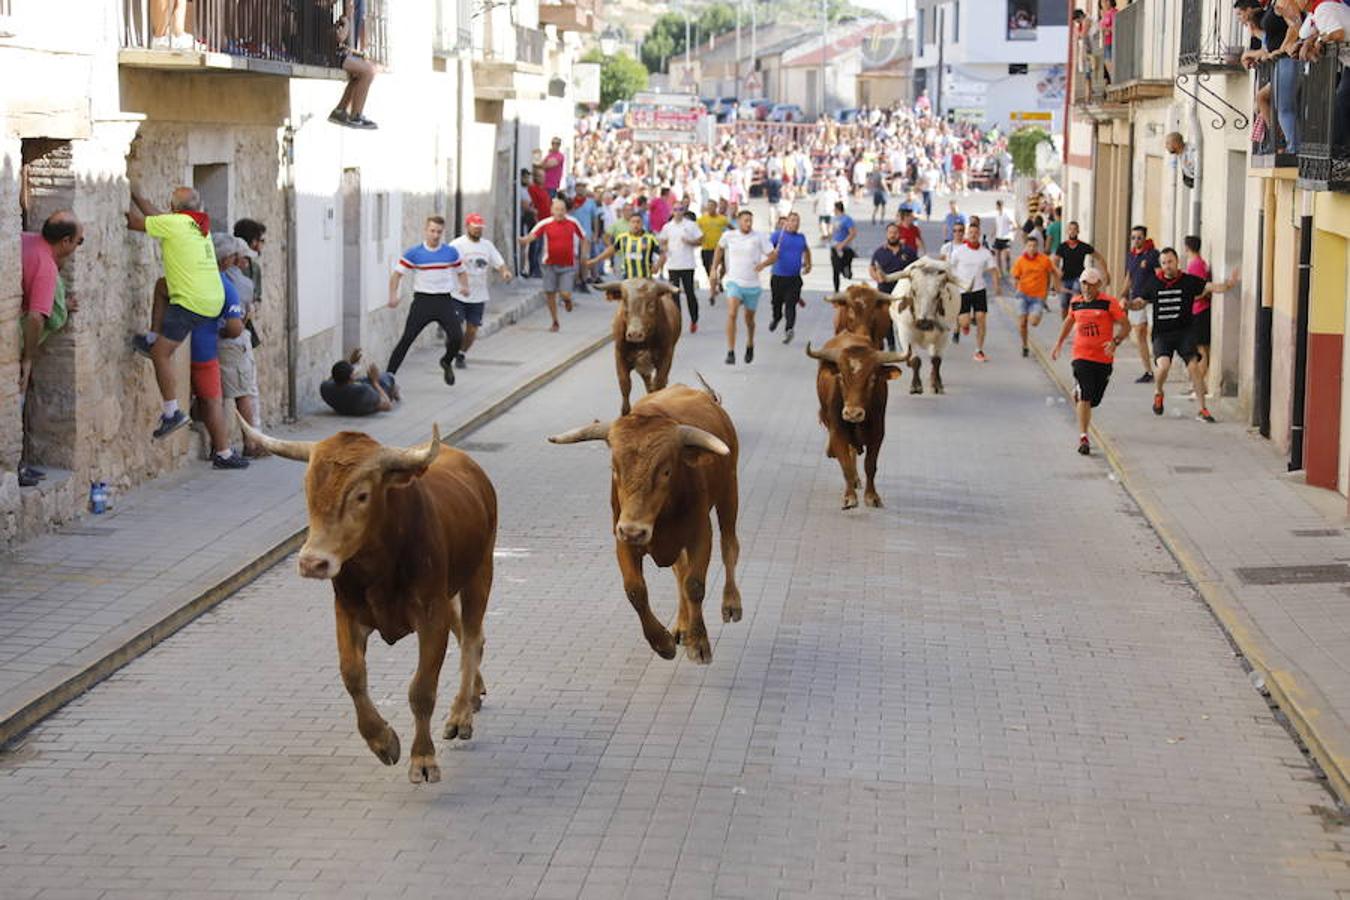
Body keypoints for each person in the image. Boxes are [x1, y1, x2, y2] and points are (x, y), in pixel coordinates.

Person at [127, 185, 226, 440]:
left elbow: (137, 223)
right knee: (162, 286)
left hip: (192, 302)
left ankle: (172, 411)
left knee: (161, 354)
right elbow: (158, 218)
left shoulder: (176, 224)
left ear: (175, 208)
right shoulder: (195, 225)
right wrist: (137, 194)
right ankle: (150, 338)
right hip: (212, 298)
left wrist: (119, 209)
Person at [1129, 247, 1238, 422]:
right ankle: (1158, 391)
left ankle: (1202, 409)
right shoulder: (1154, 283)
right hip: (1162, 334)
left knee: (1194, 367)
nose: (1167, 266)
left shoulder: (1188, 281)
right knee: (1163, 366)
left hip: (1184, 332)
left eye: (1170, 262)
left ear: (1177, 262)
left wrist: (1228, 285)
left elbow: (1209, 287)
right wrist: (1128, 304)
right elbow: (1140, 302)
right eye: (1164, 263)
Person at [18, 211, 82, 487]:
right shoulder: (46, 266)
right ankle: (16, 467)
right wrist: (27, 359)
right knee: (16, 400)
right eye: (80, 241)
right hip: (12, 342)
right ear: (65, 241)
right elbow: (35, 316)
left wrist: (60, 305)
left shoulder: (24, 240)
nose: (79, 246)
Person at [1050, 268, 1130, 456]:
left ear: (1098, 285)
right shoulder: (1076, 303)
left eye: (1091, 284)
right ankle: (1084, 436)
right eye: (1084, 283)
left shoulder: (1108, 303)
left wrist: (1115, 342)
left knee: (1094, 400)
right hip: (1081, 356)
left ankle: (1080, 393)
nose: (1086, 287)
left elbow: (1126, 326)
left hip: (1103, 359)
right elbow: (1069, 322)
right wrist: (1058, 343)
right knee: (1086, 395)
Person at [387, 215, 470, 385]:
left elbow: (461, 271)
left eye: (439, 232)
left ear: (442, 232)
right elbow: (396, 275)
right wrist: (393, 295)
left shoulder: (450, 252)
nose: (435, 235)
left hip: (444, 301)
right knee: (407, 339)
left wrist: (465, 286)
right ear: (426, 231)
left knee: (457, 337)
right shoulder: (415, 253)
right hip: (423, 302)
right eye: (432, 231)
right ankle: (388, 377)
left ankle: (446, 361)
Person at [183, 266, 248, 469]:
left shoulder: (185, 275)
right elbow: (235, 328)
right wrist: (222, 332)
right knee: (212, 401)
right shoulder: (225, 285)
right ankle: (222, 451)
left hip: (176, 346)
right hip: (204, 350)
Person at [215, 235, 265, 459]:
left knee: (216, 395)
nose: (246, 262)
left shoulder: (213, 278)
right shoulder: (241, 283)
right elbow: (239, 321)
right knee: (242, 393)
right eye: (242, 258)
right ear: (232, 258)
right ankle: (250, 444)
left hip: (213, 341)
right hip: (233, 341)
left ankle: (218, 445)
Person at [712, 209, 777, 366]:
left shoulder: (759, 237)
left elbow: (774, 255)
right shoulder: (729, 236)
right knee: (732, 313)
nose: (748, 223)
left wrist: (763, 264)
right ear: (738, 221)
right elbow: (719, 249)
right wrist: (713, 268)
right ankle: (731, 351)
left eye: (750, 220)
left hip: (752, 285)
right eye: (745, 220)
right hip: (734, 281)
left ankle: (750, 343)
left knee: (749, 320)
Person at [449, 213, 512, 368]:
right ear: (467, 226)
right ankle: (451, 350)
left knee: (472, 330)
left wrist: (504, 272)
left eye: (480, 228)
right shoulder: (457, 245)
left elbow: (499, 262)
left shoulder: (487, 246)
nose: (478, 231)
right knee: (456, 325)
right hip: (458, 293)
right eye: (475, 227)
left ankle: (461, 354)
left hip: (478, 295)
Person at [519, 197, 586, 332]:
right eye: (556, 209)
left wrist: (583, 255)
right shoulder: (545, 223)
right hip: (549, 264)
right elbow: (533, 235)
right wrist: (523, 240)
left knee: (565, 293)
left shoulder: (573, 222)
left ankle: (567, 300)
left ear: (566, 211)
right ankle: (555, 321)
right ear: (551, 211)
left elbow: (584, 237)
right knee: (550, 293)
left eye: (562, 210)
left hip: (568, 264)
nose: (559, 212)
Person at [948, 221, 1000, 361]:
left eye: (976, 233)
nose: (973, 235)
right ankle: (965, 324)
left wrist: (997, 287)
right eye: (970, 233)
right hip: (963, 290)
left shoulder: (985, 253)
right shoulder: (958, 252)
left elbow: (993, 270)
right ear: (967, 234)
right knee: (964, 322)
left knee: (981, 319)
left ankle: (979, 350)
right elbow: (949, 269)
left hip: (979, 289)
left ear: (979, 235)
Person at [328, 1, 378, 129]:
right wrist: (348, 19)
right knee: (369, 71)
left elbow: (361, 22)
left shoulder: (331, 11)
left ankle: (340, 110)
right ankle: (356, 115)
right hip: (332, 54)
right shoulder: (330, 11)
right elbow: (340, 37)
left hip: (340, 51)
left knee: (362, 72)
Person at [1122, 224, 1161, 383]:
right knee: (1139, 333)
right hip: (1136, 299)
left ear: (1144, 238)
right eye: (1133, 238)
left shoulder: (1153, 254)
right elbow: (1129, 277)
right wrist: (1122, 295)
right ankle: (1148, 371)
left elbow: (1159, 275)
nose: (1136, 240)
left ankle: (1160, 365)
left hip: (1151, 300)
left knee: (1155, 333)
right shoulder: (1131, 256)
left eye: (1139, 237)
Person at [1011, 236, 1060, 358]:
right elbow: (1015, 277)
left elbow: (1054, 272)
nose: (1032, 248)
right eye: (1029, 246)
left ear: (1038, 247)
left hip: (1038, 296)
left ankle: (1030, 315)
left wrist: (1055, 287)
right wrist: (1016, 287)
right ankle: (1025, 346)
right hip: (1022, 294)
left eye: (1034, 246)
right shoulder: (1020, 261)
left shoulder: (1044, 260)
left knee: (1033, 322)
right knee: (1022, 323)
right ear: (1026, 247)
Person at [1052, 221, 1111, 320]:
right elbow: (1055, 263)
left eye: (1075, 229)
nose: (1073, 231)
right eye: (1070, 229)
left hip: (1079, 278)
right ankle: (1065, 325)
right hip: (1065, 278)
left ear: (1078, 231)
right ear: (1067, 231)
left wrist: (1106, 273)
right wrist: (1056, 277)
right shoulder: (1063, 246)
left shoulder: (1083, 246)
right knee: (1063, 304)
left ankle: (1076, 324)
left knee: (1075, 301)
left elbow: (1099, 258)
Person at [768, 211, 811, 344]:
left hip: (794, 278)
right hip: (778, 277)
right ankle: (776, 318)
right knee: (776, 303)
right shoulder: (778, 236)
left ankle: (789, 329)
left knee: (790, 305)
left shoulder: (801, 237)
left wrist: (808, 264)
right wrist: (772, 253)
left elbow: (806, 250)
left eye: (797, 221)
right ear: (786, 223)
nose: (795, 223)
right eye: (792, 220)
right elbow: (766, 248)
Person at [658, 207, 704, 332]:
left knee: (690, 293)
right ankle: (677, 321)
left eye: (680, 209)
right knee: (674, 294)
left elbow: (701, 240)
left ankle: (694, 319)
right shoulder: (668, 226)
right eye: (675, 209)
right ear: (672, 211)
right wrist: (664, 248)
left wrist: (690, 242)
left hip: (687, 264)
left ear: (683, 211)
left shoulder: (690, 225)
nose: (678, 211)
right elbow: (661, 240)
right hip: (673, 265)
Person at [588, 211, 663, 281]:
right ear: (629, 223)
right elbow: (611, 250)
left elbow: (663, 254)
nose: (635, 225)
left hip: (645, 280)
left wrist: (657, 267)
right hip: (626, 279)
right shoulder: (622, 238)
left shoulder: (650, 239)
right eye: (633, 222)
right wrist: (595, 260)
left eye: (638, 222)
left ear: (642, 224)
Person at [321, 350, 399, 416]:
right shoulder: (364, 391)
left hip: (345, 403)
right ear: (351, 377)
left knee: (363, 379)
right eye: (353, 373)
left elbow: (332, 378)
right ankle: (394, 391)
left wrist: (351, 364)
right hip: (364, 404)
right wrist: (375, 382)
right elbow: (388, 406)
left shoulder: (325, 388)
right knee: (387, 378)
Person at [697, 200, 730, 306]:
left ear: (716, 207)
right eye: (708, 206)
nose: (710, 208)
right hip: (707, 248)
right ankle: (713, 288)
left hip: (720, 248)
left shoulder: (722, 219)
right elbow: (694, 230)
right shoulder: (702, 220)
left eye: (712, 206)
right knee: (710, 270)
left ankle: (717, 285)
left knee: (722, 268)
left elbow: (731, 227)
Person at [829, 201, 858, 292]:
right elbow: (833, 233)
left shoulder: (847, 219)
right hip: (834, 246)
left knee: (844, 270)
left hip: (846, 248)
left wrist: (843, 243)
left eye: (834, 208)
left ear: (837, 209)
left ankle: (847, 270)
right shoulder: (833, 219)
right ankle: (836, 290)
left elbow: (853, 233)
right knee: (835, 269)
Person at [990, 198, 1017, 283]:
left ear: (1001, 206)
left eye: (998, 206)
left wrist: (1012, 230)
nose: (997, 207)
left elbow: (1014, 224)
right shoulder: (997, 215)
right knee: (997, 256)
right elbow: (996, 225)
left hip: (1006, 238)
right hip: (998, 237)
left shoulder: (1007, 214)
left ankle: (1008, 268)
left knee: (1006, 256)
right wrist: (993, 233)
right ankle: (1001, 273)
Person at [815, 178, 840, 244]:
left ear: (830, 184)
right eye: (824, 183)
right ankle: (825, 238)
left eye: (827, 183)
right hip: (822, 213)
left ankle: (829, 241)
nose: (826, 185)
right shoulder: (819, 192)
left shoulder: (834, 193)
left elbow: (838, 203)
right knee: (824, 230)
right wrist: (814, 209)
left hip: (831, 214)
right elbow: (815, 201)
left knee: (830, 231)